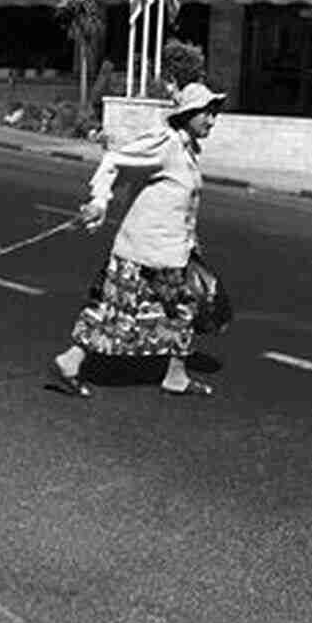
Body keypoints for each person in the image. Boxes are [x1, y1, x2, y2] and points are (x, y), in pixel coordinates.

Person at [50, 82, 226, 399]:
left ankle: (175, 376)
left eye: (215, 114)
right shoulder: (165, 144)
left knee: (179, 313)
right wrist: (100, 201)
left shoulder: (186, 150)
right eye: (207, 114)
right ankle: (69, 362)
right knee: (117, 313)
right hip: (141, 254)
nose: (212, 121)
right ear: (187, 114)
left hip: (171, 254)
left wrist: (191, 242)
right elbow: (115, 160)